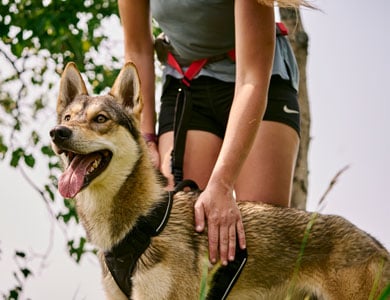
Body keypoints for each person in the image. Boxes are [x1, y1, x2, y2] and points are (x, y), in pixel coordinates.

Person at [118, 0, 310, 267]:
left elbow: (252, 79)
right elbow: (137, 48)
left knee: (262, 242)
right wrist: (146, 138)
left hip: (258, 79)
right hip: (188, 82)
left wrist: (221, 184)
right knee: (180, 233)